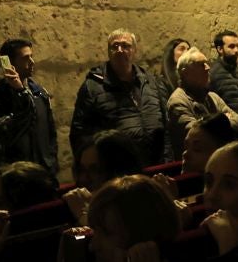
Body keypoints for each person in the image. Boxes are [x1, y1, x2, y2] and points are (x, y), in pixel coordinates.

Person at [69, 31, 166, 167]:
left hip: (154, 165)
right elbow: (79, 134)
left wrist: (166, 161)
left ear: (134, 51)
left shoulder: (150, 82)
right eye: (115, 46)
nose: (120, 50)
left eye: (125, 46)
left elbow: (164, 124)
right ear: (109, 52)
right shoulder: (93, 87)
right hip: (116, 169)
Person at [0, 39, 58, 173]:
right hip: (15, 174)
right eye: (26, 58)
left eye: (31, 56)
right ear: (9, 64)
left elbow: (51, 132)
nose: (32, 62)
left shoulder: (40, 94)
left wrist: (51, 161)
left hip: (43, 169)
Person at [164, 47, 238, 160]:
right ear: (185, 73)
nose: (207, 68)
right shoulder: (178, 101)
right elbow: (198, 134)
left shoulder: (213, 97)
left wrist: (212, 123)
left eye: (206, 63)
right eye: (201, 65)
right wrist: (224, 119)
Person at [209, 29, 238, 118]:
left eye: (237, 46)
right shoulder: (213, 73)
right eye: (231, 46)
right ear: (220, 49)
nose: (236, 50)